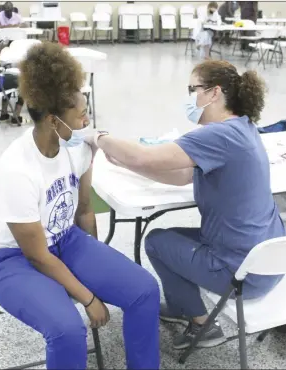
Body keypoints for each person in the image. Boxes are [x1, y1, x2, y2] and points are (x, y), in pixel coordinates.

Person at [0, 42, 160, 370]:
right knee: (67, 330)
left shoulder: (77, 148)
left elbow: (84, 208)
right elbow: (36, 255)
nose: (86, 120)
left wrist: (96, 261)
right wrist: (89, 297)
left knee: (144, 290)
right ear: (52, 120)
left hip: (64, 240)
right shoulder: (16, 171)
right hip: (9, 259)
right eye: (80, 114)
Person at [85, 60, 286, 349]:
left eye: (193, 89)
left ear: (214, 93)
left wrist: (99, 137)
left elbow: (146, 157)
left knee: (156, 241)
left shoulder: (218, 135)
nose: (190, 97)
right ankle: (183, 307)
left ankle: (202, 324)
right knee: (172, 237)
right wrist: (130, 165)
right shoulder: (243, 128)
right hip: (268, 259)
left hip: (242, 271)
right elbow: (182, 175)